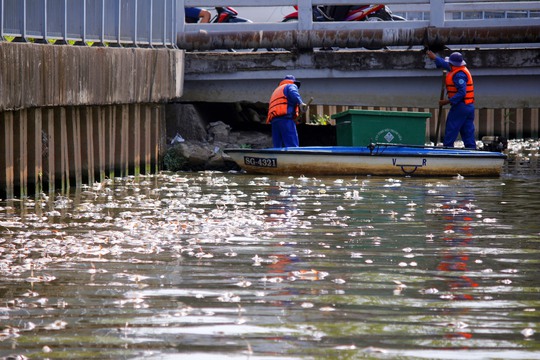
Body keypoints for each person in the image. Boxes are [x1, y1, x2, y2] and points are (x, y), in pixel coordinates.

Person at [427, 50, 476, 149]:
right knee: (467, 130)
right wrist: (435, 58)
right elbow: (445, 65)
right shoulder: (457, 69)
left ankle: (447, 149)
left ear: (452, 64)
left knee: (451, 128)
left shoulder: (459, 75)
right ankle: (472, 150)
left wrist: (447, 101)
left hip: (460, 106)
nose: (448, 64)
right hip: (469, 106)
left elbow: (462, 92)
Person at [266, 75, 307, 148]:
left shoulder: (276, 90)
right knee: (292, 145)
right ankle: (293, 159)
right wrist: (301, 103)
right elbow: (293, 92)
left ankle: (278, 158)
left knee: (277, 146)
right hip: (285, 119)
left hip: (274, 120)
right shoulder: (290, 85)